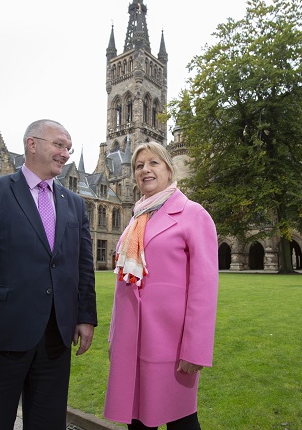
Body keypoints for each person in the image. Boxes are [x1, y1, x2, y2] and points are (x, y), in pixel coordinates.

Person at [0, 119, 97, 430]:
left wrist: (85, 316)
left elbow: (83, 267)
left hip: (56, 338)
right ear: (32, 144)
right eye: (59, 144)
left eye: (68, 148)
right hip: (0, 339)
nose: (64, 153)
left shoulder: (75, 205)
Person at [104, 141, 219, 430]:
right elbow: (124, 286)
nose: (145, 170)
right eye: (139, 165)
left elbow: (204, 289)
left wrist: (196, 349)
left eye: (153, 163)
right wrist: (115, 336)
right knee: (138, 422)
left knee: (181, 421)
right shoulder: (136, 218)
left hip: (171, 344)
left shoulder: (194, 214)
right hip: (132, 341)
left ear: (169, 169)